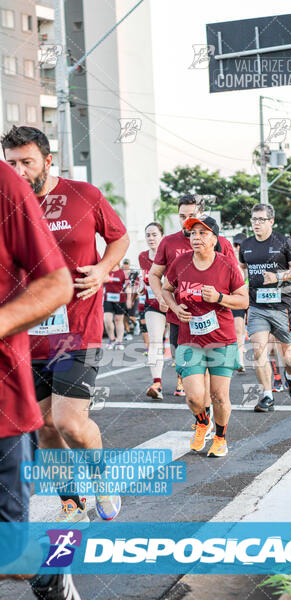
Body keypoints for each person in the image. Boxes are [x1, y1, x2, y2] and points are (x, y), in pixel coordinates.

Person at [2, 125, 129, 523]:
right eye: (11, 163)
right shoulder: (8, 205)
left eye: (27, 162)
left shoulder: (83, 196)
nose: (19, 171)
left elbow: (120, 238)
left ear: (48, 160)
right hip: (27, 334)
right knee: (43, 429)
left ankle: (102, 478)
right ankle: (71, 501)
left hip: (77, 329)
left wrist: (104, 269)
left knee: (69, 421)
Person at [0, 161, 80, 598]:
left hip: (3, 406)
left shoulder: (3, 184)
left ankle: (44, 572)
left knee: (8, 556)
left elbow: (55, 283)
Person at [162, 216, 248, 457]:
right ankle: (202, 422)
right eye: (193, 233)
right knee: (193, 397)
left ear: (215, 238)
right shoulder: (180, 262)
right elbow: (167, 289)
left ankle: (220, 438)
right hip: (190, 340)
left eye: (202, 233)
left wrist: (220, 298)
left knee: (219, 396)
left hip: (221, 339)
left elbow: (243, 299)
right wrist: (174, 308)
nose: (196, 237)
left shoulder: (227, 265)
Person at [149, 194, 236, 401]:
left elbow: (235, 280)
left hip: (215, 322)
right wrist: (161, 296)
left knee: (209, 378)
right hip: (182, 318)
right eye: (181, 216)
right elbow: (155, 274)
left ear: (201, 215)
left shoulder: (219, 241)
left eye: (191, 215)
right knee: (192, 377)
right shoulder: (168, 242)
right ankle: (201, 413)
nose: (186, 220)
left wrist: (222, 298)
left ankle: (208, 419)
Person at [239, 203, 291, 412]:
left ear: (271, 221)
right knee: (259, 350)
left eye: (261, 220)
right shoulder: (247, 245)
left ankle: (290, 377)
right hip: (257, 306)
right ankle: (267, 396)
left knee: (287, 356)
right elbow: (242, 268)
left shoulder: (283, 242)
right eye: (254, 219)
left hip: (281, 306)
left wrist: (277, 276)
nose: (256, 223)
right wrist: (240, 284)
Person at [139, 222, 167, 400]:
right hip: (153, 304)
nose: (151, 238)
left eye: (154, 234)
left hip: (174, 304)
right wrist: (141, 285)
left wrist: (167, 298)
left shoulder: (170, 254)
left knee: (178, 344)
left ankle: (182, 381)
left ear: (162, 236)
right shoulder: (142, 256)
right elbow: (145, 277)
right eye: (148, 235)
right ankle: (157, 383)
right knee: (155, 342)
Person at [232, 233, 247, 372]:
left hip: (254, 299)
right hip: (238, 299)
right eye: (236, 245)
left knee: (257, 333)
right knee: (238, 329)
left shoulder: (251, 258)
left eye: (240, 245)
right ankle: (240, 360)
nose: (238, 247)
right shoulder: (230, 260)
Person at [103, 262, 127, 350]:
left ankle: (119, 341)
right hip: (108, 299)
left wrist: (129, 300)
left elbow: (127, 286)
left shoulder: (122, 272)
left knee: (118, 320)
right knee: (107, 319)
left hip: (120, 299)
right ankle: (112, 339)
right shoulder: (106, 270)